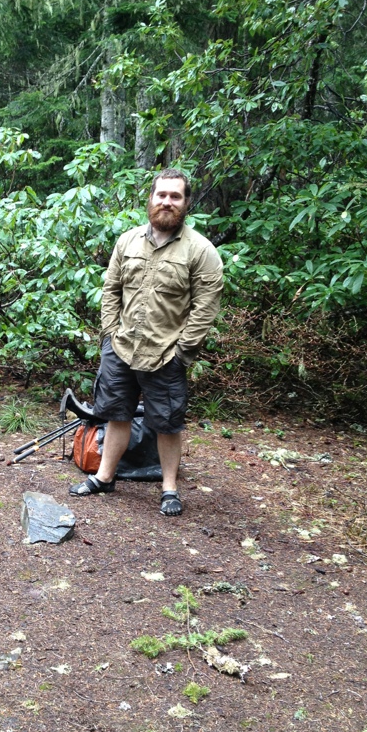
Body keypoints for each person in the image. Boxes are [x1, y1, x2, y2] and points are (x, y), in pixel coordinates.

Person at [68, 169, 223, 516]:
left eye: (175, 196)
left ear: (186, 203)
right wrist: (109, 333)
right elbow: (111, 289)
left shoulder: (201, 250)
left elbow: (205, 306)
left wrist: (183, 352)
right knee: (116, 415)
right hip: (120, 347)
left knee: (167, 423)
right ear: (150, 199)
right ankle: (105, 477)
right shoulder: (127, 241)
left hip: (166, 352)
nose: (167, 201)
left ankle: (169, 488)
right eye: (161, 194)